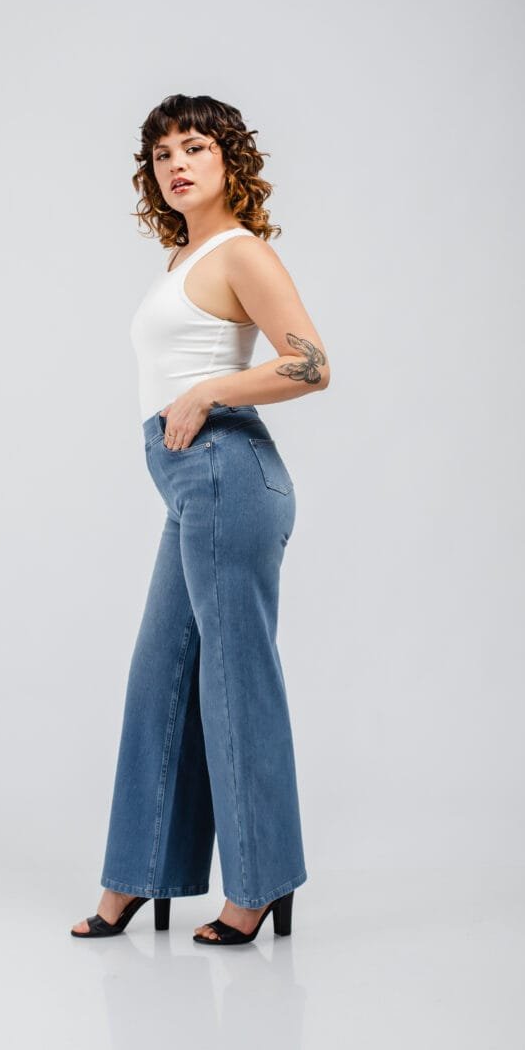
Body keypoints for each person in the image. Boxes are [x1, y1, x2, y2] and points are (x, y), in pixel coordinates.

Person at [71, 93, 330, 946]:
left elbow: (311, 364)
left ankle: (258, 885)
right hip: (191, 486)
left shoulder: (239, 251)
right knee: (161, 678)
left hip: (228, 476)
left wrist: (210, 390)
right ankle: (137, 875)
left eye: (195, 147)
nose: (176, 164)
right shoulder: (183, 258)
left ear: (229, 160)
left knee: (233, 684)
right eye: (162, 155)